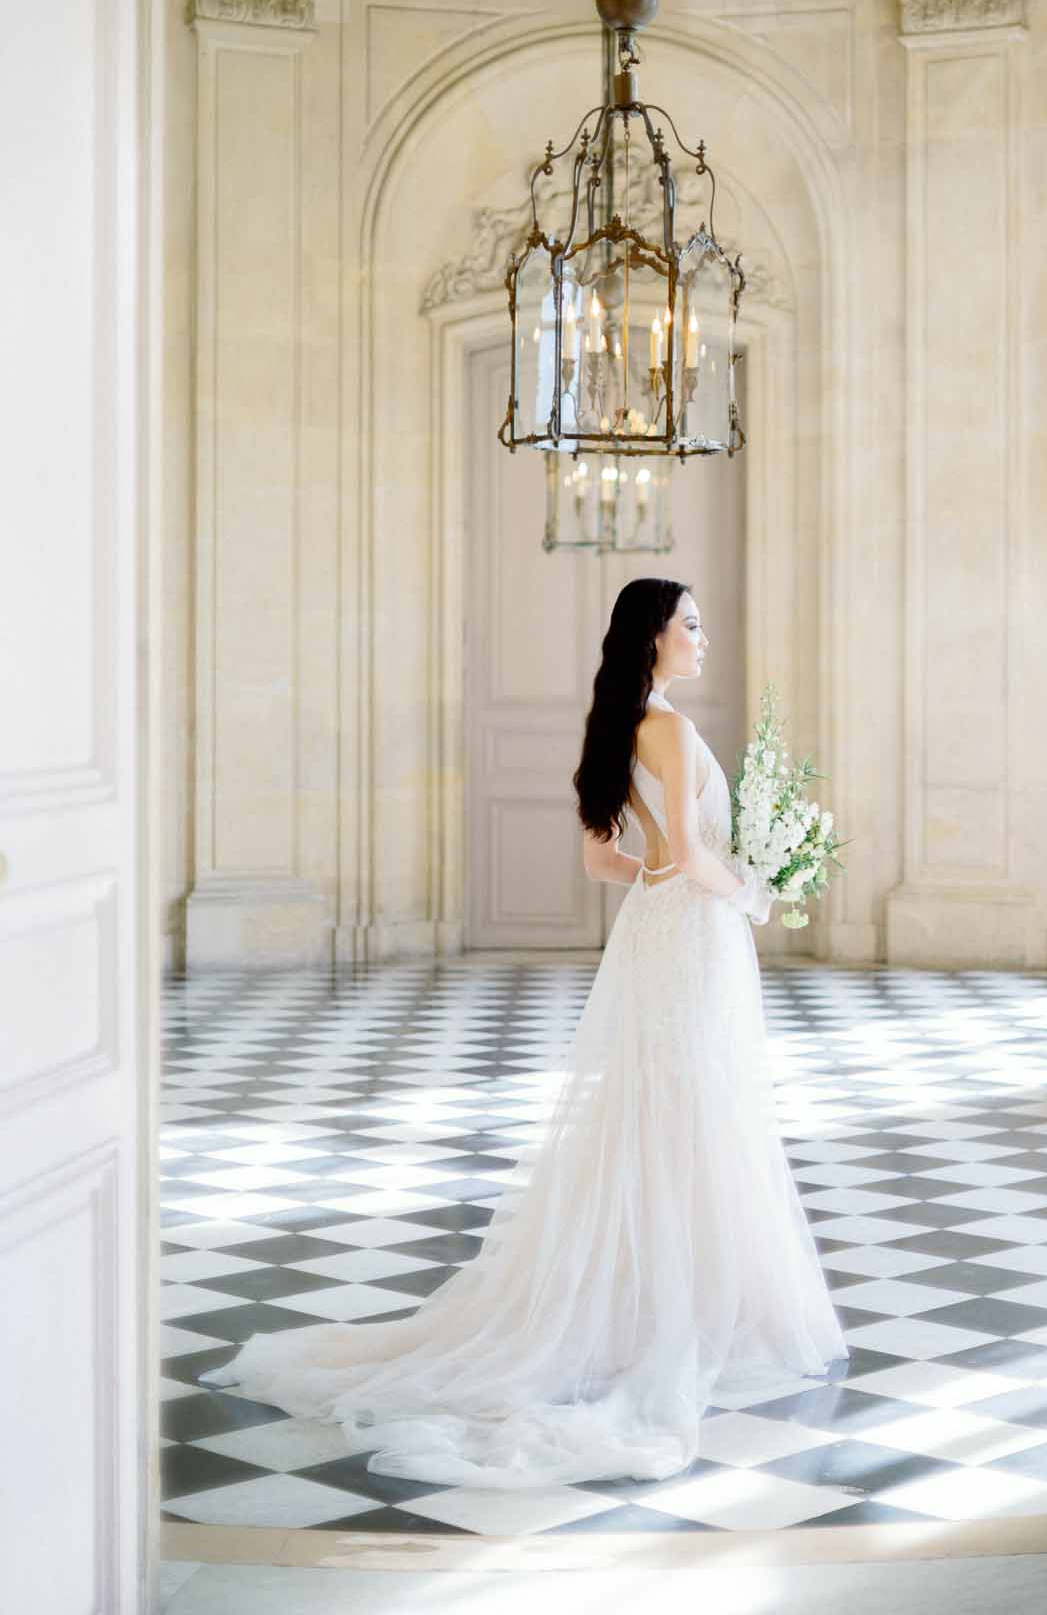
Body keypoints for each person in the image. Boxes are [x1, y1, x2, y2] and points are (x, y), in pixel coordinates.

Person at [201, 576, 848, 1488]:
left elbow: (603, 858)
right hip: (696, 936)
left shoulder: (619, 725)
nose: (703, 639)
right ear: (653, 637)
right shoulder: (668, 729)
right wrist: (752, 893)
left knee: (661, 1108)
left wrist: (663, 882)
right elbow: (690, 854)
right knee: (699, 1105)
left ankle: (649, 1297)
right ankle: (682, 1309)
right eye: (691, 626)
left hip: (659, 931)